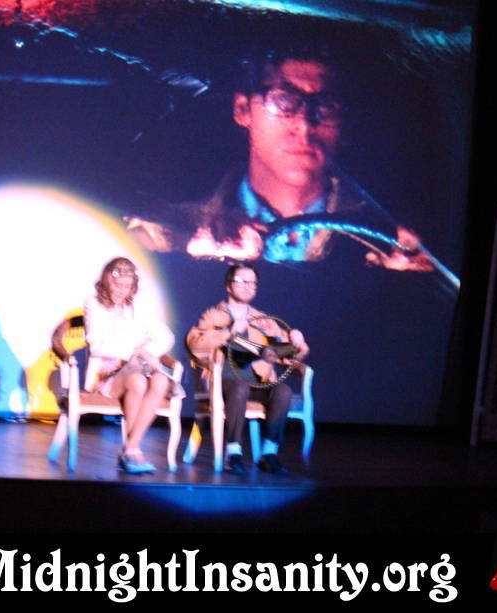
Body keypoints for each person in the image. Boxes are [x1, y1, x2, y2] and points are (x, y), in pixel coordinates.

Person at [127, 48, 436, 272]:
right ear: (243, 109)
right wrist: (202, 254)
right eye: (284, 100)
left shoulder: (385, 239)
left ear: (345, 125)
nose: (304, 124)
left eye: (325, 107)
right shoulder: (168, 230)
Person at [186, 263, 309, 474]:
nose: (247, 286)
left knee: (283, 391)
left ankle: (269, 453)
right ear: (228, 285)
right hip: (223, 383)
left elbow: (286, 356)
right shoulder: (214, 315)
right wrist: (228, 332)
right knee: (239, 386)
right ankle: (233, 452)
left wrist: (298, 344)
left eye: (252, 283)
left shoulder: (263, 321)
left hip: (255, 382)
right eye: (241, 281)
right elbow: (194, 345)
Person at [83, 257, 180, 474]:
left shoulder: (138, 306)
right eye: (117, 285)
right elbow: (97, 345)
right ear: (107, 281)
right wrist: (134, 351)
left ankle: (130, 448)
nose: (122, 291)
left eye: (127, 286)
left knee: (161, 380)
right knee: (137, 381)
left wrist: (146, 352)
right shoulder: (94, 304)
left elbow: (166, 336)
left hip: (139, 367)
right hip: (110, 372)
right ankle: (134, 451)